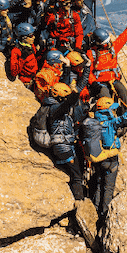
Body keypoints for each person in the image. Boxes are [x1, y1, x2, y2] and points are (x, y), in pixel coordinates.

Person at [82, 97, 127, 217]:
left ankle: (95, 210)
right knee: (108, 187)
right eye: (112, 109)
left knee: (99, 184)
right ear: (107, 110)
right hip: (111, 158)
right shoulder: (111, 123)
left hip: (99, 157)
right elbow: (124, 118)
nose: (114, 111)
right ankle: (104, 214)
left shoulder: (94, 122)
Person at [42, 64, 91, 201]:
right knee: (77, 175)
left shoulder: (52, 106)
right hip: (63, 147)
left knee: (75, 170)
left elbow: (72, 94)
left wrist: (85, 69)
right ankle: (79, 201)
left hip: (63, 145)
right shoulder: (56, 109)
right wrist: (74, 94)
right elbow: (69, 101)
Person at [86, 9, 127, 110]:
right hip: (100, 82)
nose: (109, 44)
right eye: (106, 43)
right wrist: (93, 83)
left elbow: (125, 35)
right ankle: (108, 116)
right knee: (106, 98)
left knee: (123, 92)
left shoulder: (112, 49)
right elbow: (88, 72)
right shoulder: (92, 54)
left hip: (113, 79)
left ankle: (125, 114)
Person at [7, 22, 40, 86]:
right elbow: (14, 72)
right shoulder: (16, 51)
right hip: (25, 80)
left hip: (32, 77)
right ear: (23, 37)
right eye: (31, 36)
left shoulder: (30, 45)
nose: (34, 37)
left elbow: (33, 55)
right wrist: (22, 58)